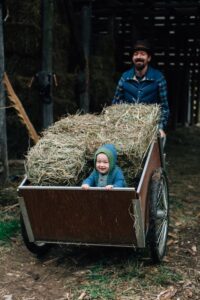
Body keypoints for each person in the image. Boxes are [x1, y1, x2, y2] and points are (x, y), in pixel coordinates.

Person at [112, 39, 170, 138]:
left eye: (142, 54)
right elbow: (115, 104)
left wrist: (160, 127)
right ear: (132, 58)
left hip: (149, 128)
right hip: (128, 127)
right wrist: (117, 123)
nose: (139, 57)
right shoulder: (125, 78)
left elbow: (164, 108)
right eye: (136, 54)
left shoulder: (158, 78)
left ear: (149, 58)